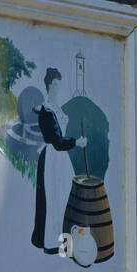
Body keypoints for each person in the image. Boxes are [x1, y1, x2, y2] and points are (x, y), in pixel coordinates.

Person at [31, 67, 87, 254]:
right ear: (48, 86)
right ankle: (52, 242)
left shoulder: (54, 107)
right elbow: (56, 141)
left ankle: (65, 241)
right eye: (54, 85)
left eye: (58, 85)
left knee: (64, 198)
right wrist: (77, 142)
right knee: (53, 199)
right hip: (53, 159)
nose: (57, 88)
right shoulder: (47, 110)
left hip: (62, 160)